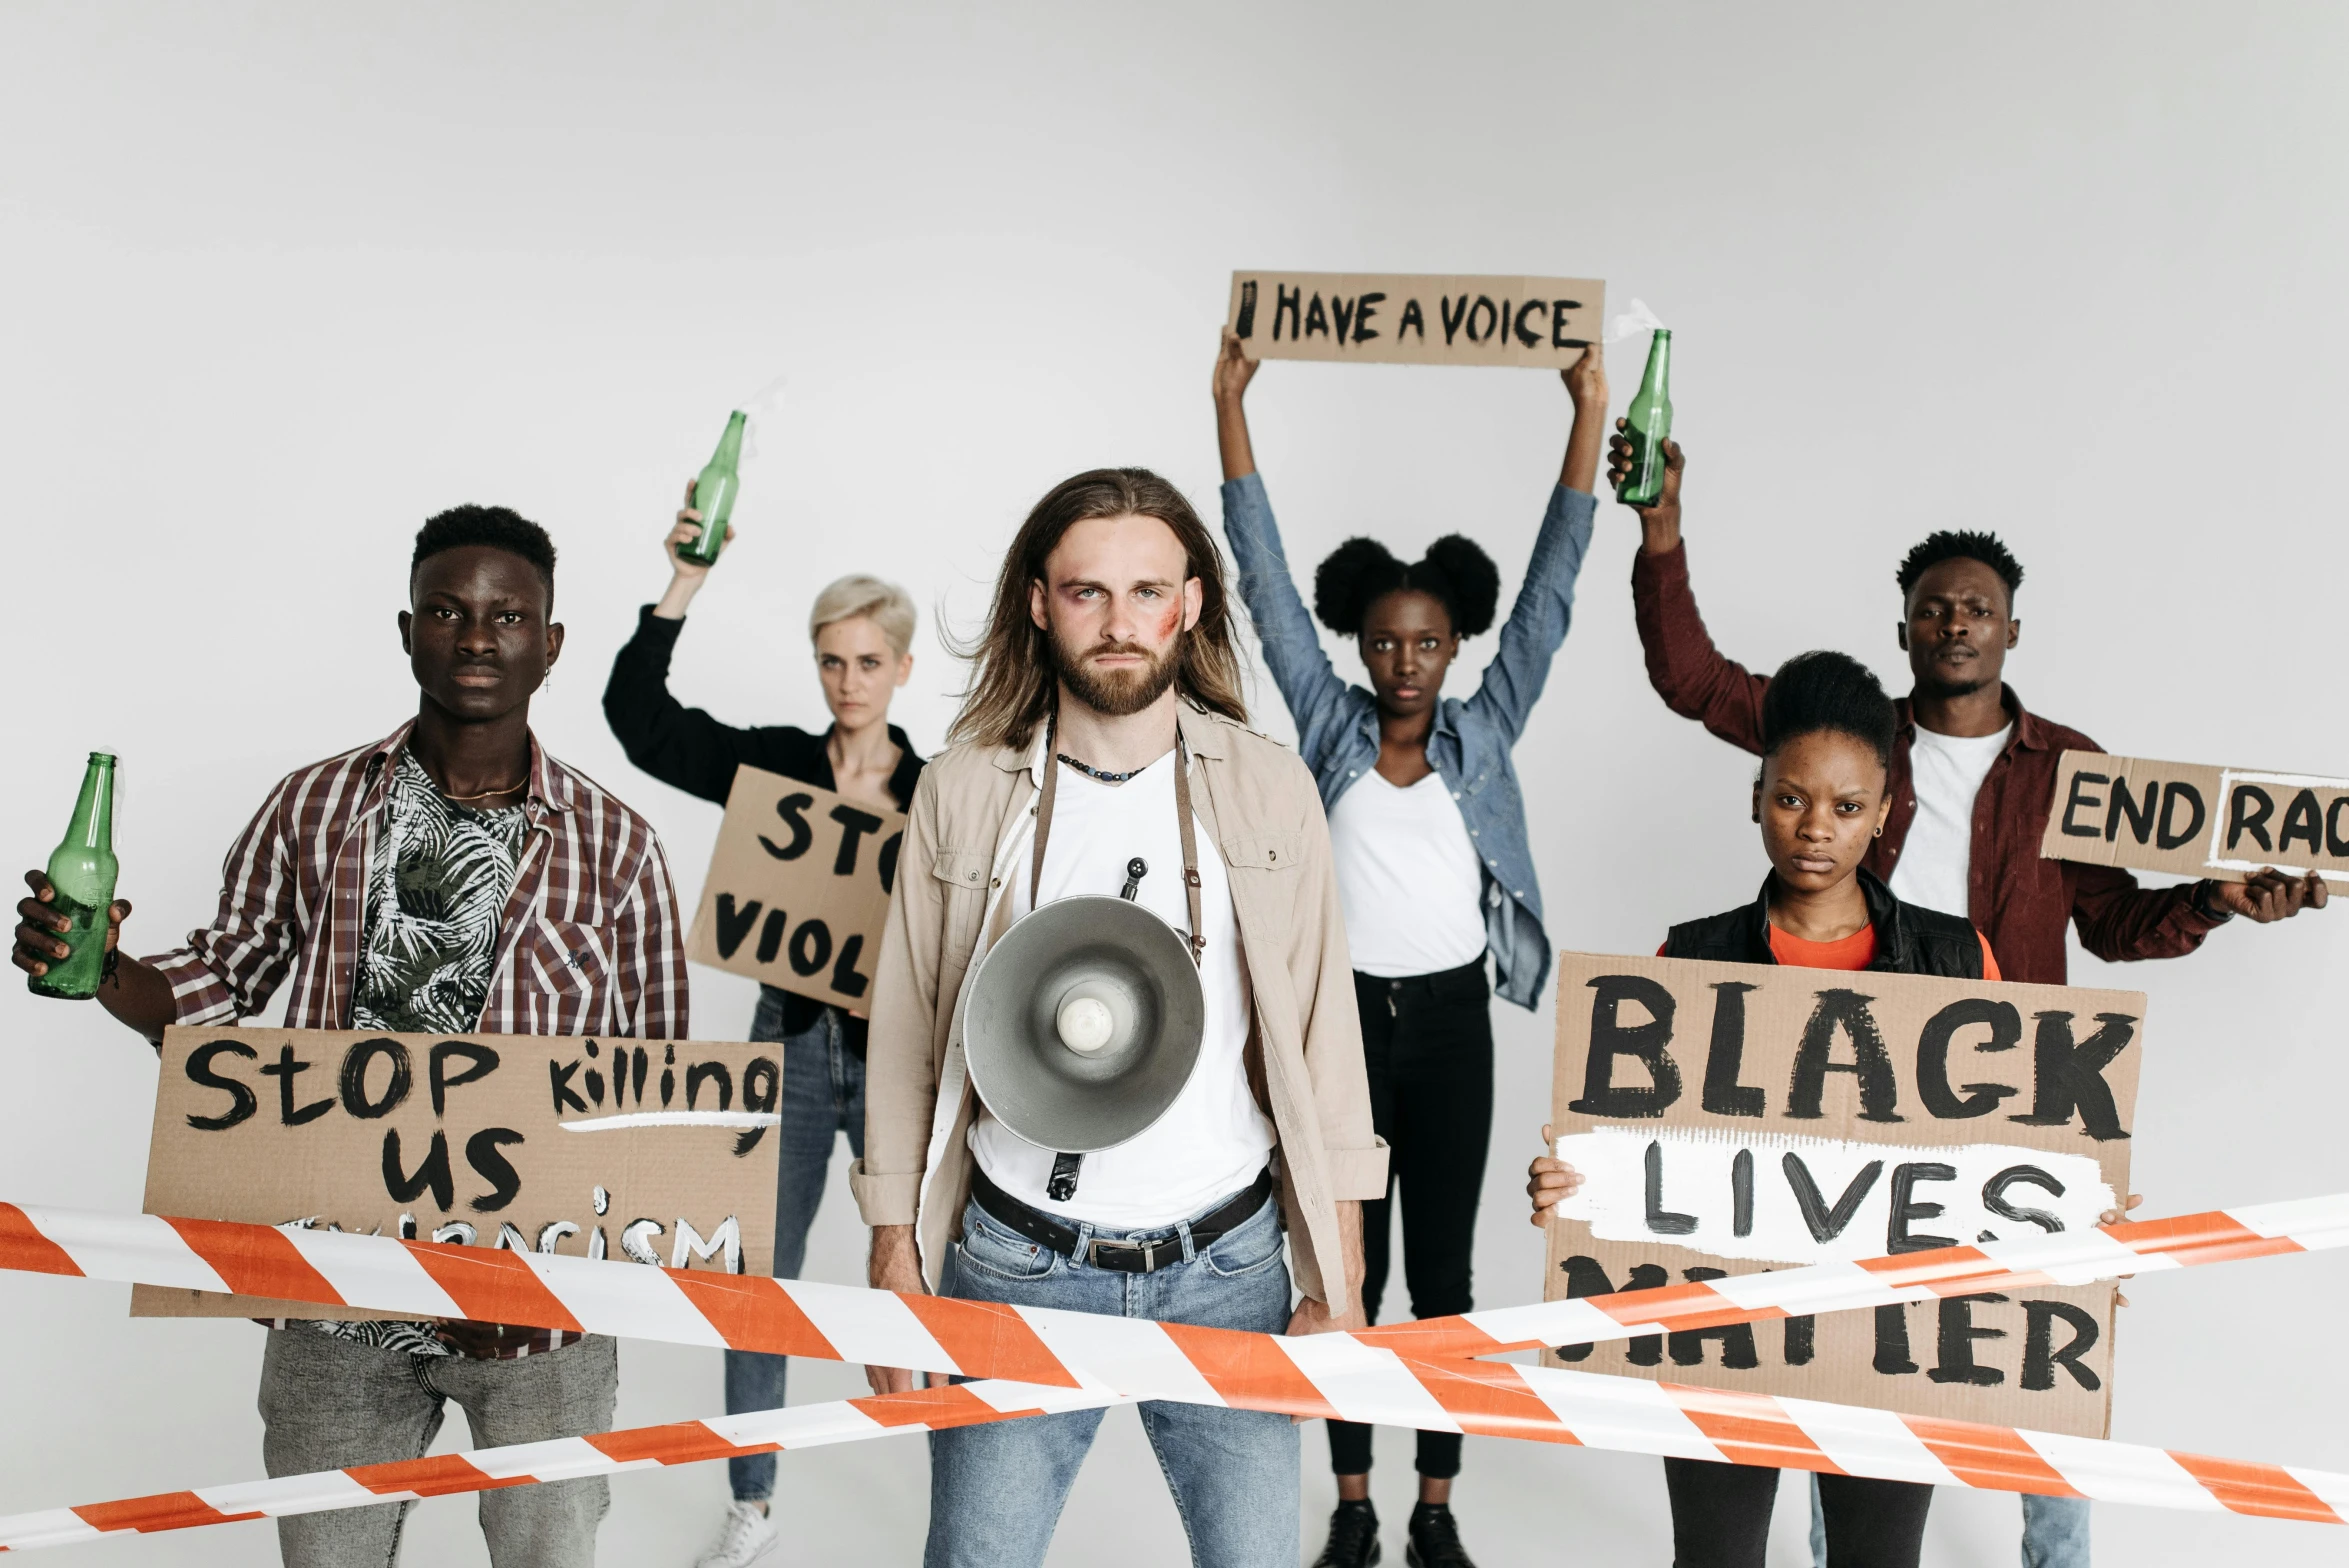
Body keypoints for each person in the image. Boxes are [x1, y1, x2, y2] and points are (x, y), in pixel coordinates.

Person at [1614, 436, 2325, 1568]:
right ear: (1905, 628)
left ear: (2010, 630)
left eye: (1978, 607)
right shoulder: (1847, 738)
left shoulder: (2069, 770)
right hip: (1849, 1101)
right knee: (1846, 1355)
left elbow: (2114, 924)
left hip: (2010, 1099)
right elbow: (1693, 679)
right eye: (1935, 606)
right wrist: (1661, 527)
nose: (1956, 622)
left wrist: (2220, 899)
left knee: (2037, 1358)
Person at [13, 506, 688, 1568]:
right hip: (332, 1294)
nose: (476, 636)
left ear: (549, 644)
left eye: (508, 615)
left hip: (536, 1320)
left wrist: (572, 1278)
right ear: (408, 629)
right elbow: (221, 979)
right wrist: (105, 969)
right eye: (448, 611)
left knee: (549, 1557)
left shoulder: (618, 846)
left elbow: (660, 1089)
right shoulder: (314, 806)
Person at [851, 467, 1386, 1568]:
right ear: (1040, 603)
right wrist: (894, 1250)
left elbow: (1327, 1042)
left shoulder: (1269, 785)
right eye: (1087, 592)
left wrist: (1343, 1280)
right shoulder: (962, 789)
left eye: (1147, 591)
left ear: (1189, 603)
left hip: (1228, 1263)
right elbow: (906, 1027)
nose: (1119, 622)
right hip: (1016, 1261)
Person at [1213, 330, 1605, 1568]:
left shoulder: (1484, 733)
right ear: (1359, 643)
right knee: (1348, 1272)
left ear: (1456, 646)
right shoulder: (1327, 725)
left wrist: (1587, 413)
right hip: (1342, 1031)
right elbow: (1263, 581)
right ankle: (1352, 1503)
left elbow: (1552, 591)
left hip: (1449, 1026)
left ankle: (1435, 1504)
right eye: (1383, 640)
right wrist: (1229, 410)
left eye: (1426, 641)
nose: (1403, 662)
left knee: (1443, 1276)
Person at [1529, 649, 2004, 1568]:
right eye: (1790, 799)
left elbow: (1998, 1152)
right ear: (1755, 797)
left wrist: (2070, 1207)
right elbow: (1631, 1152)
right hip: (1723, 1335)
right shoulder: (1686, 961)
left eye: (1846, 807)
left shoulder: (1957, 963)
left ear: (1884, 814)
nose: (1814, 829)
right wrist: (1573, 1186)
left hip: (1887, 1341)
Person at [602, 483, 924, 1568]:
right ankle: (755, 1498)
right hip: (784, 1050)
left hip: (894, 1070)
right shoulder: (779, 764)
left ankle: (969, 1477)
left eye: (867, 662)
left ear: (902, 669)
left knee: (926, 1273)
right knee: (755, 1281)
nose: (848, 681)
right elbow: (641, 725)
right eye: (832, 660)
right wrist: (685, 580)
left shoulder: (941, 793)